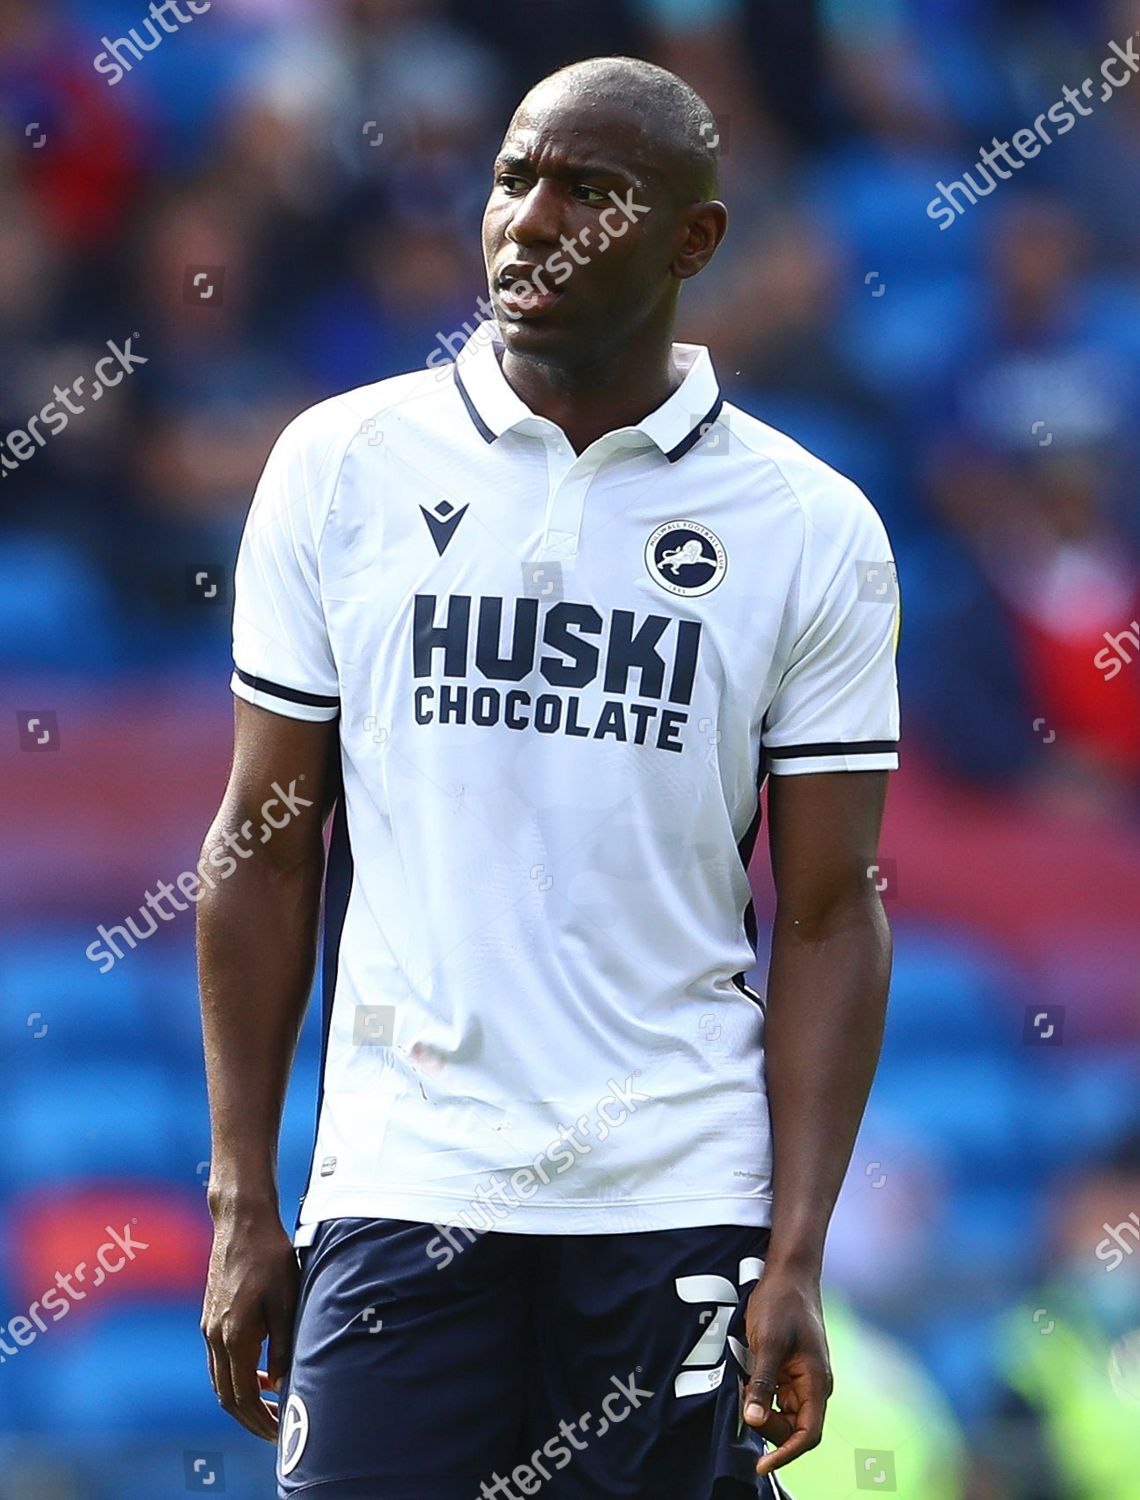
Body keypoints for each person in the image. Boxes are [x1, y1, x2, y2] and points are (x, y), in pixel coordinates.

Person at [198, 54, 900, 1500]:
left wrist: (798, 1251)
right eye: (517, 177)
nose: (531, 217)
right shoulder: (340, 467)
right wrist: (240, 1197)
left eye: (592, 188)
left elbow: (833, 912)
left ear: (693, 242)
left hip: (674, 1197)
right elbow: (265, 847)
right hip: (402, 1185)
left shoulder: (811, 529)